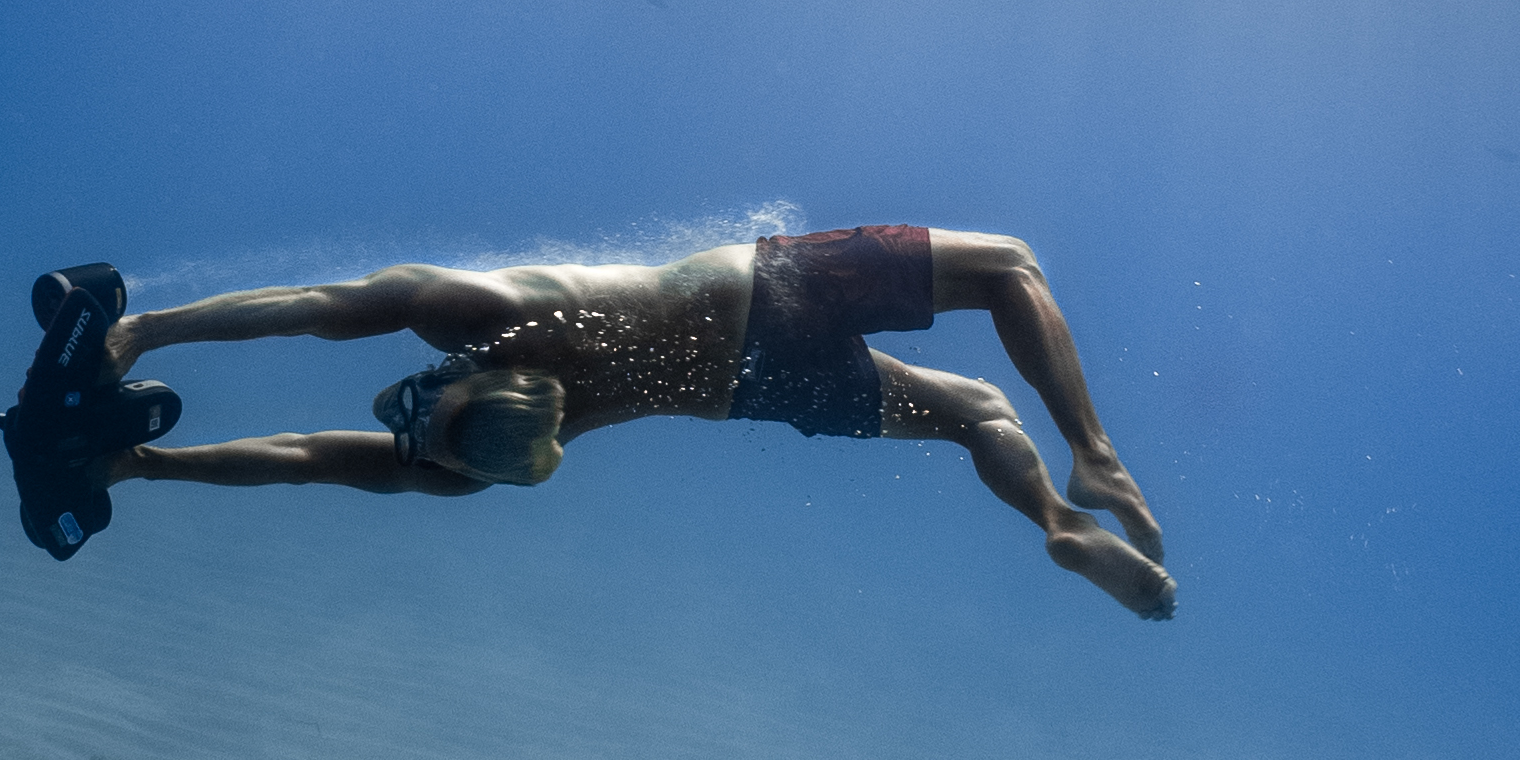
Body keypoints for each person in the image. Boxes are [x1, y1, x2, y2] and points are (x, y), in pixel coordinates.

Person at [98, 225, 1173, 617]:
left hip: (749, 392)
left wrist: (150, 465)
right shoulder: (490, 314)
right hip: (760, 299)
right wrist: (149, 332)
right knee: (1006, 276)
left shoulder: (459, 468)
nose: (402, 407)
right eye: (417, 411)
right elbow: (325, 312)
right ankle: (1078, 477)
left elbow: (296, 460)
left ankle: (1054, 520)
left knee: (964, 414)